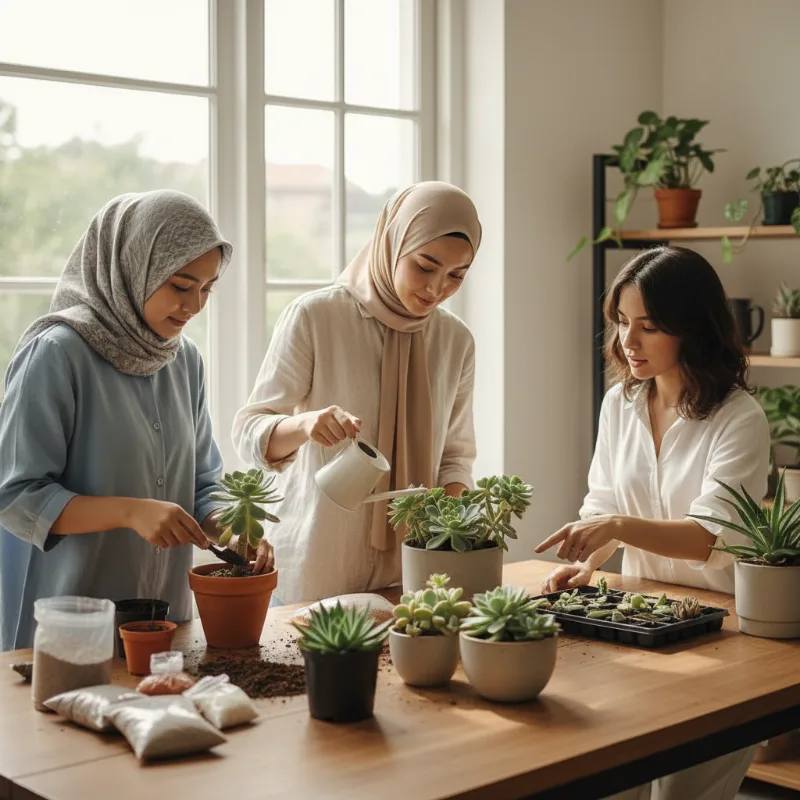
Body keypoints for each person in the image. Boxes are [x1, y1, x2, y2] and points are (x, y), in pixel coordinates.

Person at [535, 245, 770, 800]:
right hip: (642, 623)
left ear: (693, 327)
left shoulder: (740, 418)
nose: (627, 342)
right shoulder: (620, 402)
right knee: (616, 783)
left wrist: (616, 525)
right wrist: (585, 562)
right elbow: (603, 500)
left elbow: (707, 538)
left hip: (725, 635)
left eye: (649, 326)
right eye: (621, 323)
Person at [0, 190, 272, 652]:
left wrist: (233, 525)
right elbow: (16, 496)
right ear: (130, 267)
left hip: (163, 621)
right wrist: (131, 512)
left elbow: (203, 480)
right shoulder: (56, 354)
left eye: (207, 289)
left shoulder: (186, 361)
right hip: (70, 625)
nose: (195, 306)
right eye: (181, 286)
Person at [233, 181, 481, 605]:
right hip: (317, 562)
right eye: (425, 266)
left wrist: (455, 528)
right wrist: (304, 425)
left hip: (410, 570)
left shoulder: (455, 341)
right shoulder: (317, 316)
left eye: (456, 275)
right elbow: (249, 432)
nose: (437, 289)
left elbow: (455, 456)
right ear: (391, 243)